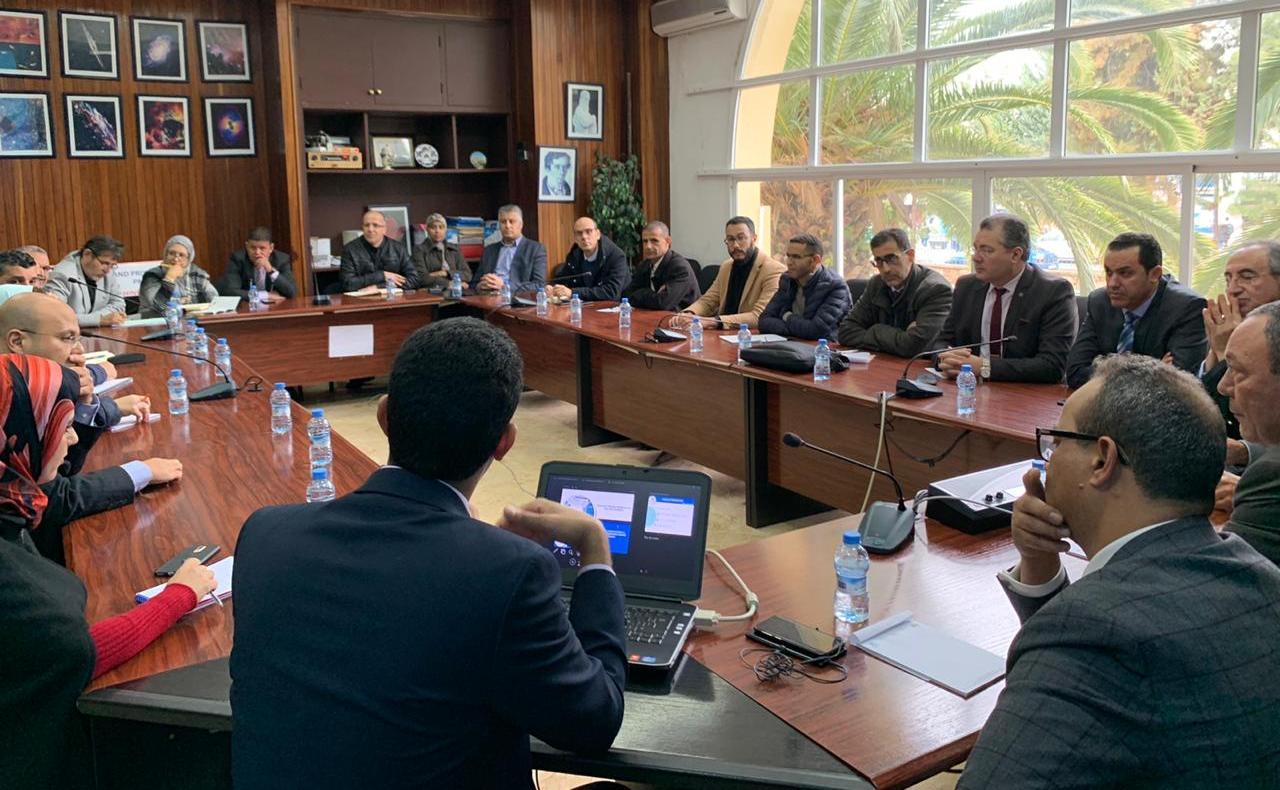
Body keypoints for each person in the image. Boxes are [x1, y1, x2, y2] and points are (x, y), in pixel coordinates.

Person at [231, 318, 626, 788]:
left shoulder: (265, 535)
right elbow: (594, 722)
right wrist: (596, 554)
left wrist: (475, 544)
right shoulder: (510, 573)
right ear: (504, 443)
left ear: (384, 415)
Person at [959, 354, 1280, 787]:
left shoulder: (1090, 634)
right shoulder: (1258, 575)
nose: (1046, 463)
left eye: (1055, 443)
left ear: (1102, 459)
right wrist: (1039, 563)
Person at [0, 353, 214, 790]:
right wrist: (178, 597)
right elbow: (73, 652)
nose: (73, 438)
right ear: (18, 434)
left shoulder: (12, 503)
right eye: (60, 424)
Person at [0, 293, 182, 564]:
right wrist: (141, 472)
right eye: (67, 338)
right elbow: (51, 497)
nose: (79, 351)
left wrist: (83, 403)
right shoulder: (9, 396)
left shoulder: (33, 388)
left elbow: (63, 470)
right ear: (18, 341)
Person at [930, 214, 1077, 383]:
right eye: (975, 249)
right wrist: (945, 359)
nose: (976, 257)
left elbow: (1052, 366)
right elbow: (941, 342)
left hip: (1024, 396)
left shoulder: (1053, 292)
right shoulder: (966, 287)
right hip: (968, 388)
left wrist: (984, 367)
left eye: (987, 250)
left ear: (1015, 255)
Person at [1066, 232, 1206, 388]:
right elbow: (1076, 373)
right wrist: (1152, 371)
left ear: (1155, 274)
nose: (1112, 283)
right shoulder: (1100, 302)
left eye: (1125, 273)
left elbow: (1176, 387)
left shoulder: (1186, 308)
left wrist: (1104, 368)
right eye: (1109, 272)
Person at [1217, 300, 1280, 565]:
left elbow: (1215, 583)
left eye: (1237, 370)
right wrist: (1245, 451)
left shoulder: (1269, 476)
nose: (1223, 386)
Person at [1200, 241, 1280, 439]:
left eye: (1247, 277)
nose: (1233, 290)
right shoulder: (1228, 327)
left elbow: (1248, 424)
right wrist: (1215, 353)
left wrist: (1224, 354)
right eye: (1228, 280)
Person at [836, 228, 953, 356]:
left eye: (891, 259)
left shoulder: (935, 289)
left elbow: (915, 346)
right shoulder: (876, 284)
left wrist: (873, 331)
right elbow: (845, 331)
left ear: (910, 256)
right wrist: (880, 332)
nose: (885, 269)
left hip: (917, 371)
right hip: (882, 365)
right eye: (879, 261)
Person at [685, 216, 785, 329]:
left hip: (751, 337)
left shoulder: (773, 270)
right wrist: (689, 314)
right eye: (731, 239)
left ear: (754, 238)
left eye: (741, 238)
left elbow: (760, 316)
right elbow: (709, 300)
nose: (736, 245)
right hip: (723, 334)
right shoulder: (726, 266)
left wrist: (714, 321)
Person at [757, 234, 850, 341]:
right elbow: (764, 321)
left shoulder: (835, 287)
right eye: (788, 256)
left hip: (823, 351)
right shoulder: (787, 280)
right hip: (791, 345)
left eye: (796, 257)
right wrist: (800, 329)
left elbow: (815, 331)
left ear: (815, 260)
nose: (789, 262)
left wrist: (787, 316)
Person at [45, 235, 128, 328]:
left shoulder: (108, 272)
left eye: (112, 265)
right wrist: (98, 319)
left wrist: (103, 319)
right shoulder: (63, 275)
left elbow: (119, 304)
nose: (107, 270)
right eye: (104, 263)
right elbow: (55, 316)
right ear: (87, 254)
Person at [621, 221, 700, 311]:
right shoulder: (644, 265)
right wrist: (648, 293)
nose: (648, 246)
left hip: (684, 320)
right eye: (645, 241)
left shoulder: (679, 268)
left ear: (668, 241)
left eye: (654, 241)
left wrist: (642, 293)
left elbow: (663, 304)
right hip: (654, 317)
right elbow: (626, 296)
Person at [549, 217, 631, 302]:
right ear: (575, 238)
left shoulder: (616, 256)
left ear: (598, 234)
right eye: (579, 233)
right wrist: (553, 288)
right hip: (585, 307)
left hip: (617, 308)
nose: (584, 237)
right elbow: (563, 278)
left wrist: (573, 293)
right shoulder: (574, 255)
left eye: (588, 232)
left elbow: (611, 292)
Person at [471, 204, 548, 295]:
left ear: (521, 224)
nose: (507, 226)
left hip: (517, 301)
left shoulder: (535, 249)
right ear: (499, 225)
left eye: (512, 221)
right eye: (503, 222)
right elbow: (474, 282)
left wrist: (504, 285)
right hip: (488, 298)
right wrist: (480, 285)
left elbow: (539, 285)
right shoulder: (489, 250)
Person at [138, 235, 220, 317]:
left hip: (191, 322)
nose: (176, 259)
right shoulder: (152, 275)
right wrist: (169, 278)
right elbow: (158, 307)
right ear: (165, 255)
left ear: (189, 259)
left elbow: (216, 301)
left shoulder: (196, 275)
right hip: (156, 324)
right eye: (171, 253)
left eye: (181, 255)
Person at [340, 210, 418, 292]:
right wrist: (381, 275)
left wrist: (379, 287)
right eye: (366, 225)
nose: (370, 229)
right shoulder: (350, 250)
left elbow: (414, 280)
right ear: (362, 228)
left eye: (375, 225)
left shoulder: (398, 249)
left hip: (392, 300)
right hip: (361, 301)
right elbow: (347, 284)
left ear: (384, 229)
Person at [220, 226, 296, 302]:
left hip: (274, 308)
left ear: (271, 248)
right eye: (253, 248)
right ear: (246, 246)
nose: (257, 252)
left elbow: (291, 292)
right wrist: (265, 295)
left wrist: (270, 270)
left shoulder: (281, 260)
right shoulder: (238, 259)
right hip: (247, 309)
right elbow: (231, 292)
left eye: (262, 248)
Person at [411, 213, 471, 291]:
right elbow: (421, 278)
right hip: (433, 294)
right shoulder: (419, 250)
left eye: (441, 227)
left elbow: (467, 274)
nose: (437, 231)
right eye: (433, 227)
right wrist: (449, 284)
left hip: (457, 293)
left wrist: (445, 273)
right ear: (427, 229)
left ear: (445, 230)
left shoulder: (454, 249)